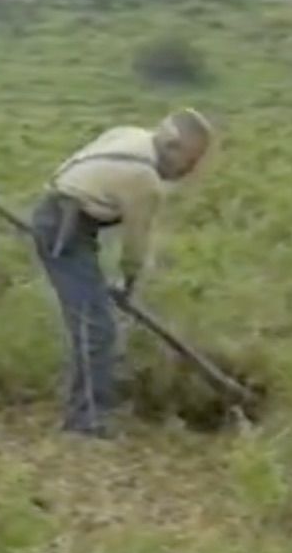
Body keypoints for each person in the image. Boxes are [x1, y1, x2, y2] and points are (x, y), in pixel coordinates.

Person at [30, 108, 213, 438]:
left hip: (60, 214)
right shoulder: (143, 178)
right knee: (96, 329)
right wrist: (127, 286)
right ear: (172, 145)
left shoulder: (131, 135)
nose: (189, 170)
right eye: (190, 160)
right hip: (64, 229)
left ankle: (87, 410)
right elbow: (136, 247)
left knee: (93, 322)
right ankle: (85, 422)